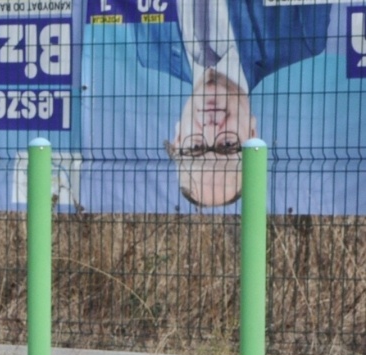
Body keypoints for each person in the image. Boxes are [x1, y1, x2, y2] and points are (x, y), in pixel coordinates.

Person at [135, 0, 329, 207]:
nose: (210, 128)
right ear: (252, 135)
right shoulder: (302, 37)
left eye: (196, 147)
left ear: (178, 138)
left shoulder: (150, 47)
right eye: (227, 145)